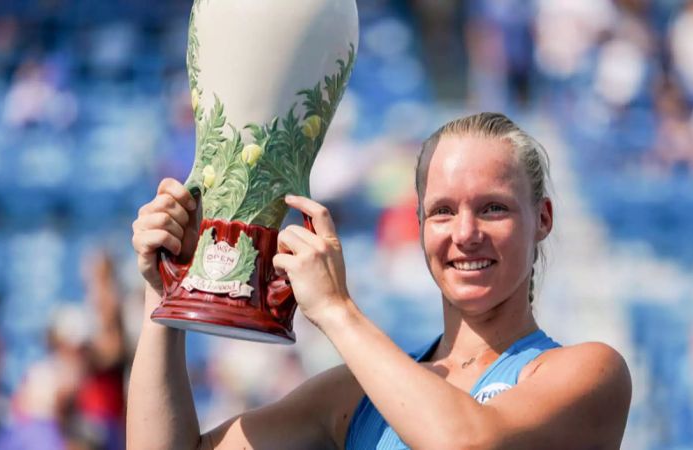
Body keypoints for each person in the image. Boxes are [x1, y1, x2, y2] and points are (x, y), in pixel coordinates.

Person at [127, 112, 632, 449]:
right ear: (418, 226)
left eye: (493, 208)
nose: (465, 233)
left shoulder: (588, 373)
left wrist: (336, 310)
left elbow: (465, 442)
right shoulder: (354, 396)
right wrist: (166, 290)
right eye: (442, 211)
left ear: (542, 218)